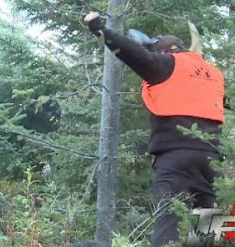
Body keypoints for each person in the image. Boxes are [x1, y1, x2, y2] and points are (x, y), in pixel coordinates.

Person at [83, 12, 226, 246]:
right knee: (208, 230)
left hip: (176, 160)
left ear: (163, 51)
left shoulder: (165, 63)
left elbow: (132, 53)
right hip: (213, 161)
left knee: (168, 221)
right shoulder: (214, 75)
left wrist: (101, 30)